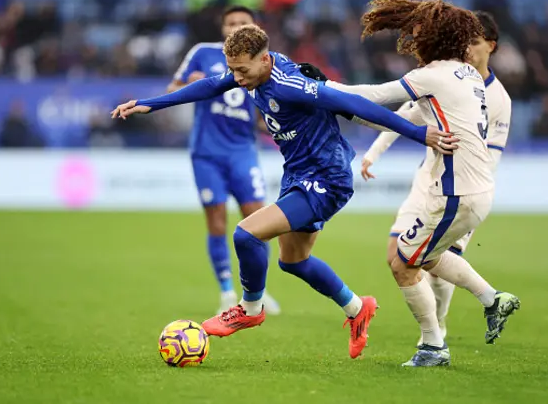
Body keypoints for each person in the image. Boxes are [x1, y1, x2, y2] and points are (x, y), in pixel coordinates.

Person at [111, 24, 457, 359]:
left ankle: (250, 308)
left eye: (242, 71)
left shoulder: (290, 85)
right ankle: (357, 308)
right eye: (234, 70)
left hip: (326, 177)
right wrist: (149, 104)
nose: (238, 79)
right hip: (299, 173)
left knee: (246, 235)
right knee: (293, 261)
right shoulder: (252, 69)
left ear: (263, 60)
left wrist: (418, 133)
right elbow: (211, 86)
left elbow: (353, 104)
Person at [325, 0, 520, 366]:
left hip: (455, 193)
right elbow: (397, 116)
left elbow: (375, 96)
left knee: (403, 263)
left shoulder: (434, 75)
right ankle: (492, 300)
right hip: (468, 191)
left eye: (418, 33)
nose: (413, 40)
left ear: (436, 37)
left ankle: (433, 346)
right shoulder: (468, 76)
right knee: (422, 257)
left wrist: (323, 89)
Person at [168, 6, 280, 316]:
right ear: (223, 27)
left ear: (253, 27)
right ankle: (227, 292)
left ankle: (257, 292)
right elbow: (173, 88)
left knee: (258, 222)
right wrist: (191, 82)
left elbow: (264, 109)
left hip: (244, 151)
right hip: (207, 153)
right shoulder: (203, 52)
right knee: (217, 222)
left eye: (242, 23)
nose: (235, 27)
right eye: (230, 23)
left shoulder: (265, 60)